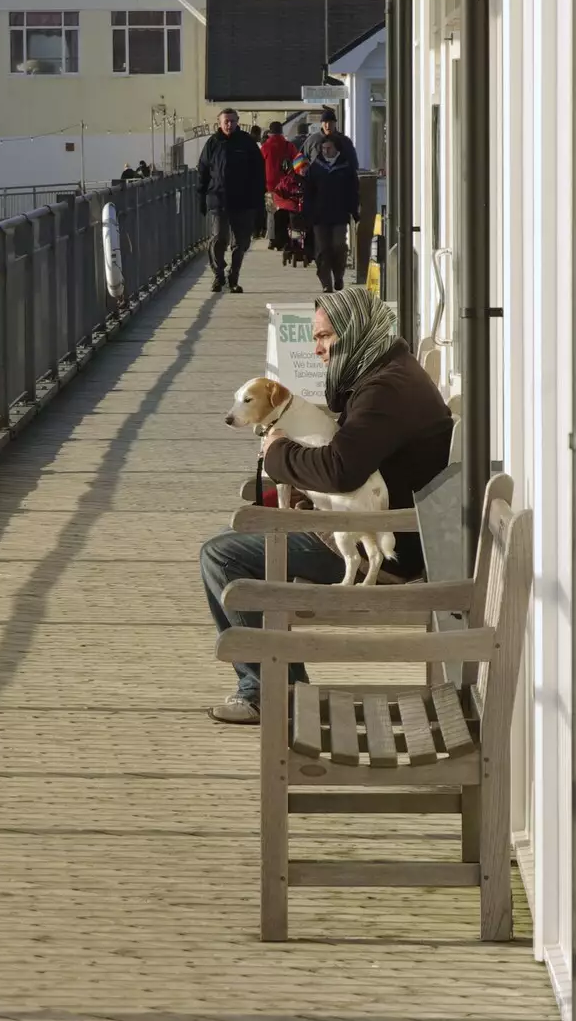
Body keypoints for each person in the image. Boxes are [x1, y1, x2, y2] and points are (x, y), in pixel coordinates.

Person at [200, 288, 453, 724]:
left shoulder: (384, 391)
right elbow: (348, 465)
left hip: (389, 542)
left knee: (222, 556)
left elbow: (340, 470)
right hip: (379, 522)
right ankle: (283, 686)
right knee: (236, 543)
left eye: (325, 337)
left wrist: (277, 452)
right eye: (316, 338)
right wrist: (304, 489)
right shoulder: (388, 373)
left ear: (355, 331)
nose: (317, 349)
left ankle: (270, 691)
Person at [196, 108, 266, 294]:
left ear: (237, 122)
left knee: (241, 242)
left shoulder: (247, 143)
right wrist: (201, 197)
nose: (229, 125)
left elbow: (259, 173)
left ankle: (233, 277)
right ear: (219, 123)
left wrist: (259, 202)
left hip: (243, 200)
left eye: (233, 121)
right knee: (219, 238)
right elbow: (202, 171)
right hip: (218, 198)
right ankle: (218, 275)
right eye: (226, 121)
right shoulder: (212, 143)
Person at [302, 136, 358, 292]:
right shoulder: (316, 167)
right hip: (320, 216)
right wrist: (307, 213)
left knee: (339, 245)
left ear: (337, 149)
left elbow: (353, 191)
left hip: (339, 214)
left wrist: (354, 210)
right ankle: (326, 283)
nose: (326, 151)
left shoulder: (345, 167)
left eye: (329, 148)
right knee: (323, 249)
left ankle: (339, 276)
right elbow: (308, 193)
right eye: (323, 148)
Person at [260, 120, 299, 251]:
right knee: (285, 210)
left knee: (272, 211)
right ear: (282, 132)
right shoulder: (289, 146)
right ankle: (284, 237)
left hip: (270, 185)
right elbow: (298, 162)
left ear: (270, 133)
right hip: (286, 186)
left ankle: (272, 239)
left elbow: (259, 164)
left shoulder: (265, 147)